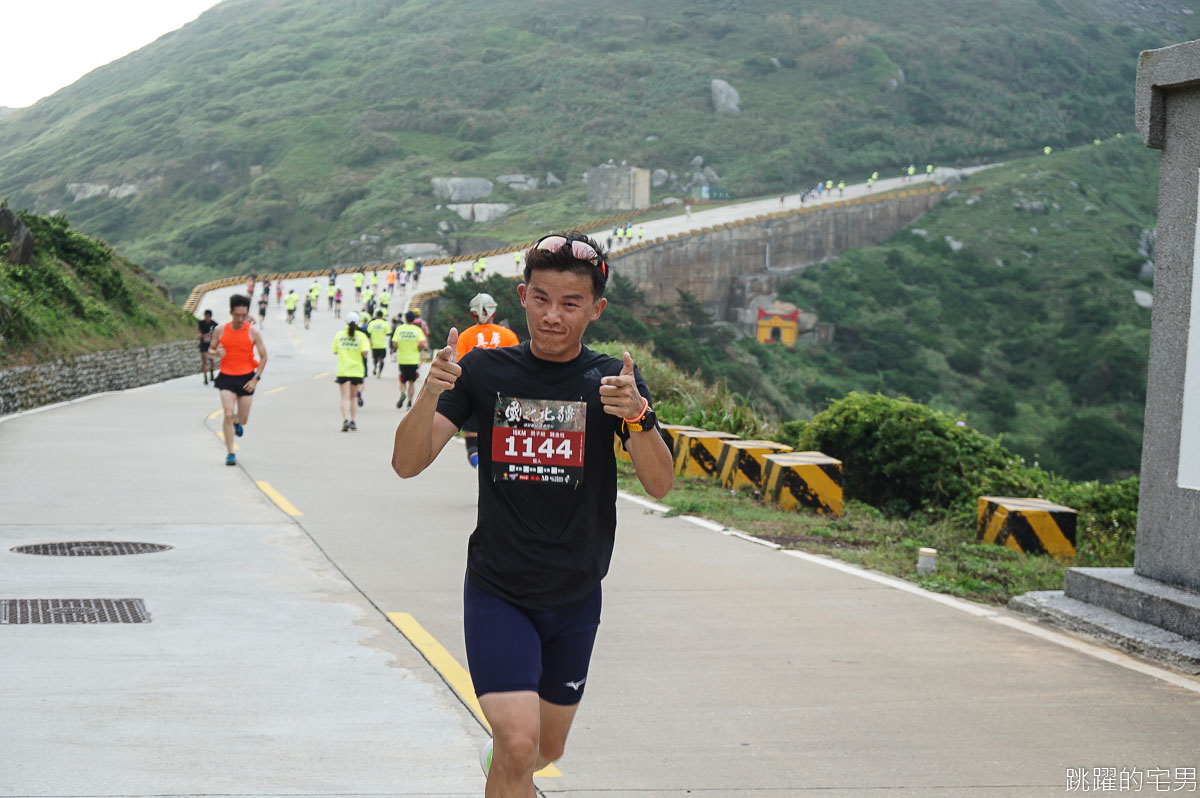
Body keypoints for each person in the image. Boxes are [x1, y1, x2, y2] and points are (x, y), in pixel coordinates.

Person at [390, 231, 673, 793]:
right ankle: (509, 759)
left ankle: (507, 763)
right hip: (499, 588)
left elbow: (661, 485)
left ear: (596, 309)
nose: (552, 316)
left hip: (575, 594)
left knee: (544, 748)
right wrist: (430, 394)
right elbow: (406, 463)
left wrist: (638, 418)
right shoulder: (483, 373)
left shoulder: (610, 381)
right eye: (541, 299)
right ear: (522, 296)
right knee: (519, 743)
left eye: (570, 304)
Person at [456, 292, 520, 467]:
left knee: (473, 446)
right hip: (504, 399)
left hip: (473, 398)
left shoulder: (465, 336)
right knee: (503, 446)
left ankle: (479, 468)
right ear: (494, 312)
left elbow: (459, 369)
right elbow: (517, 368)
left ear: (472, 314)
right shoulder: (508, 336)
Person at [209, 295, 268, 466]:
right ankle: (230, 452)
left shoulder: (253, 332)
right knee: (227, 413)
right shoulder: (220, 330)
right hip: (226, 376)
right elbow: (210, 350)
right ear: (230, 313)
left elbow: (264, 357)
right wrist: (216, 354)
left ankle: (236, 421)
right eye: (237, 315)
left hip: (246, 377)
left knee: (243, 419)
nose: (240, 319)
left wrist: (256, 379)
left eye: (244, 315)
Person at [333, 311, 370, 432]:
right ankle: (353, 421)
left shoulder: (340, 335)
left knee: (344, 397)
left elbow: (335, 351)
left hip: (343, 370)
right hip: (357, 371)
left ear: (346, 322)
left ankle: (345, 419)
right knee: (353, 397)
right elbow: (365, 353)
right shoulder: (362, 336)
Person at [391, 310, 428, 409]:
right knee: (412, 382)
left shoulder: (399, 329)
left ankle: (403, 393)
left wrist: (399, 346)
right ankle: (409, 402)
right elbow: (422, 344)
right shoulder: (417, 330)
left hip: (402, 359)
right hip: (413, 360)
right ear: (414, 319)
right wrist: (418, 350)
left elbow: (394, 344)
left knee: (402, 381)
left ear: (405, 319)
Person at [368, 310, 392, 378]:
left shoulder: (372, 323)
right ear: (382, 316)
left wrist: (370, 341)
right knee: (382, 359)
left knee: (375, 358)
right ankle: (379, 373)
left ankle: (375, 367)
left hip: (374, 345)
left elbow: (368, 333)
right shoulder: (385, 323)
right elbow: (388, 333)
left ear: (376, 315)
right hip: (382, 345)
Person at [198, 310, 218, 385]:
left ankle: (212, 373)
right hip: (203, 344)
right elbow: (199, 331)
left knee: (211, 359)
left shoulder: (214, 324)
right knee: (204, 361)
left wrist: (211, 336)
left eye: (208, 317)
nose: (207, 318)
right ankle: (205, 378)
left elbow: (217, 335)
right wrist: (200, 335)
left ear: (210, 317)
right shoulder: (201, 323)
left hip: (212, 344)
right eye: (206, 317)